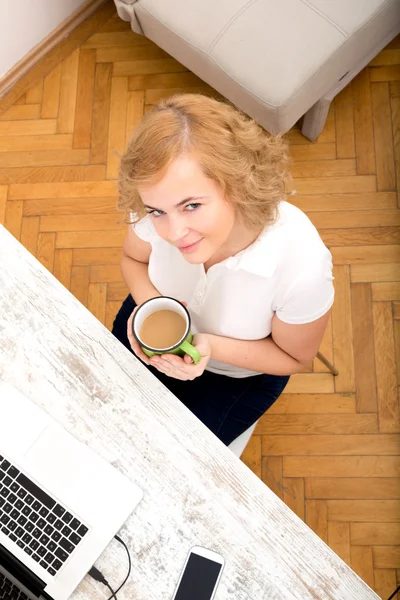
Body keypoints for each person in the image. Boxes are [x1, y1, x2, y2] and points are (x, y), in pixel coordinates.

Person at [112, 94, 334, 447]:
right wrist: (152, 307)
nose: (173, 232)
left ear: (237, 182)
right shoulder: (157, 204)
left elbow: (295, 356)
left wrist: (206, 346)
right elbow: (133, 259)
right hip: (154, 322)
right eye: (157, 211)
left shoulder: (301, 265)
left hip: (234, 375)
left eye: (193, 206)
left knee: (174, 453)